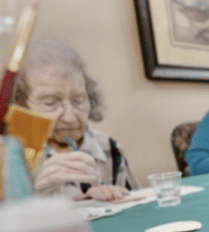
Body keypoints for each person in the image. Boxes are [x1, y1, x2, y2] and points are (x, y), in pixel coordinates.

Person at [12, 38, 137, 201]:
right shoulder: (8, 155)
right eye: (50, 103)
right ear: (20, 106)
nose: (69, 118)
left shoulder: (108, 147)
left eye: (78, 101)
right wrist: (33, 192)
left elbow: (138, 208)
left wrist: (110, 200)